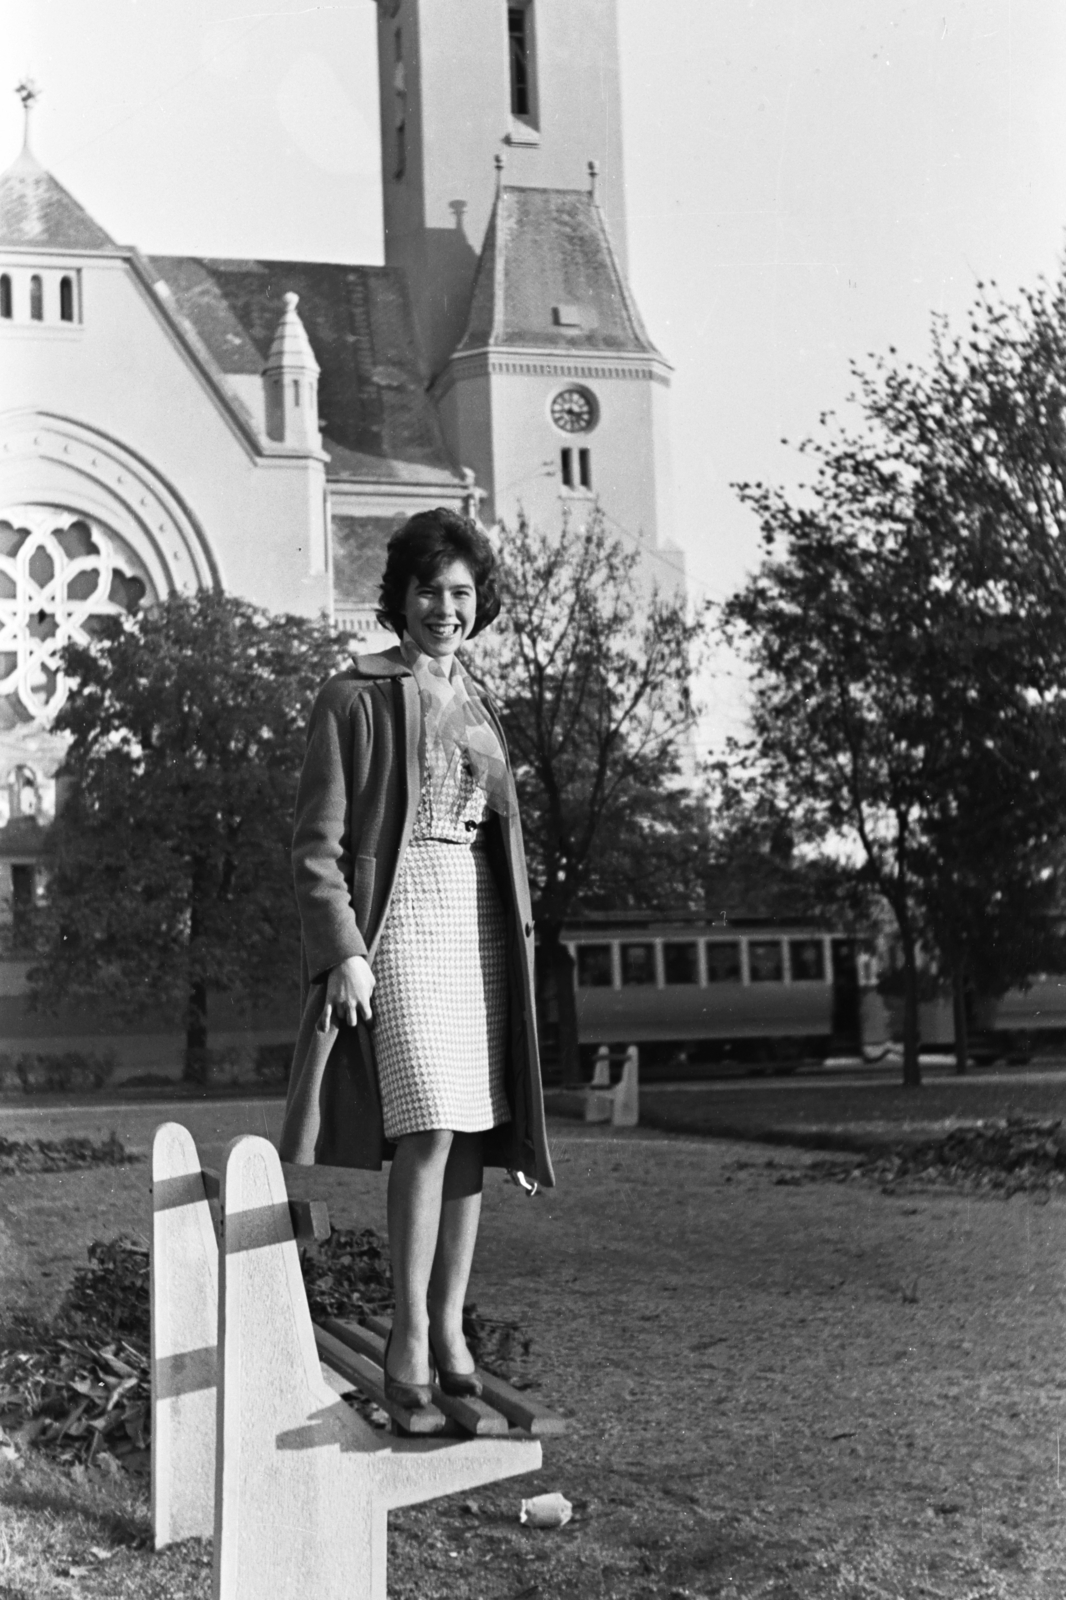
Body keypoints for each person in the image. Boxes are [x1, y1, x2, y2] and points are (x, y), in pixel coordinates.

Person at [278, 507, 555, 1409]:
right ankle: (405, 1335)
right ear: (398, 599)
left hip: (476, 928)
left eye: (463, 592)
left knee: (472, 1129)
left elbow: (497, 843)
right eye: (429, 590)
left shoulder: (482, 707)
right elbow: (317, 846)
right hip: (401, 925)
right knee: (429, 1123)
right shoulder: (352, 695)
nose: (446, 607)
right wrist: (343, 950)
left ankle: (447, 1324)